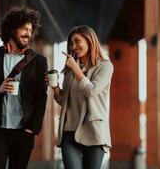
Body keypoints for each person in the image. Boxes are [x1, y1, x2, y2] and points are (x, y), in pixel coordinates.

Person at [0, 6, 48, 169]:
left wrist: (33, 129)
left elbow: (41, 98)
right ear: (11, 29)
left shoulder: (39, 61)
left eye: (30, 30)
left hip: (24, 132)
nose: (28, 34)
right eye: (24, 29)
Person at [47, 25, 114, 169]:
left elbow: (91, 91)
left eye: (77, 41)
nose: (74, 46)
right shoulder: (70, 69)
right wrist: (55, 87)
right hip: (69, 133)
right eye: (71, 43)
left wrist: (76, 70)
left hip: (94, 132)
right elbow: (62, 100)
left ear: (89, 40)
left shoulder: (105, 67)